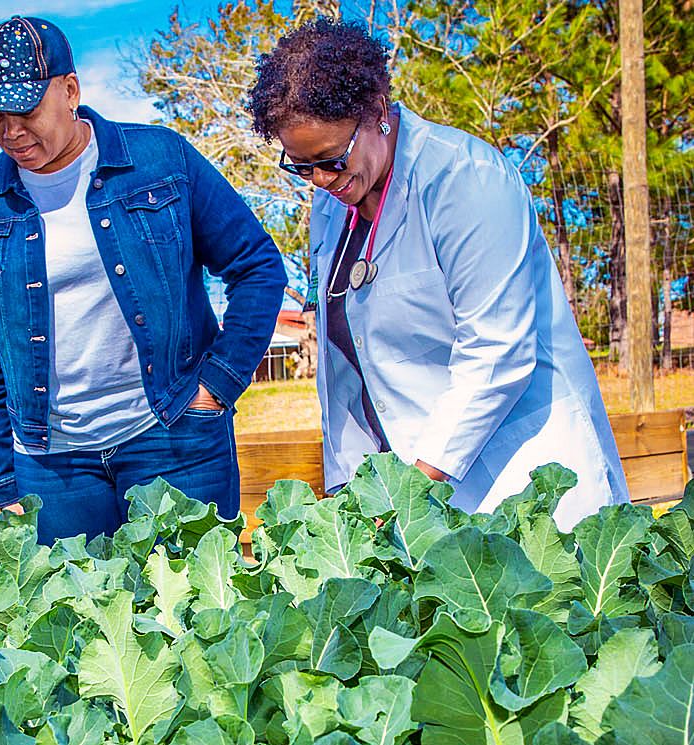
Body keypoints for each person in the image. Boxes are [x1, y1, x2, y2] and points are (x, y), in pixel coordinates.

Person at [245, 18, 628, 528]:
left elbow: (495, 351)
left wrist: (411, 488)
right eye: (301, 165)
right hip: (418, 489)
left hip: (518, 471)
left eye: (331, 160)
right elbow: (345, 358)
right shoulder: (333, 204)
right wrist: (349, 486)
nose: (319, 180)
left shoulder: (466, 179)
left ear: (377, 111)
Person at [0, 16, 287, 543]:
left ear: (69, 91)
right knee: (73, 620)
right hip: (52, 468)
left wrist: (217, 387)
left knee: (196, 616)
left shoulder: (162, 160)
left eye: (25, 110)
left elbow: (258, 266)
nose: (11, 131)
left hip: (175, 438)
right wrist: (0, 483)